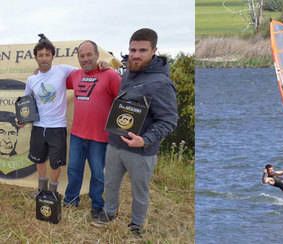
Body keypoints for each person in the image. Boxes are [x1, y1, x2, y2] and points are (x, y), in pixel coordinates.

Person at [92, 28, 178, 236]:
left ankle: (136, 225)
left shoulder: (161, 83)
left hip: (140, 151)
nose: (136, 54)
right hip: (115, 144)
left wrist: (145, 139)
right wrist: (107, 65)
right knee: (110, 184)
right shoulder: (130, 72)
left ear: (154, 51)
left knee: (139, 192)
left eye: (142, 50)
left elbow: (169, 120)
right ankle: (109, 213)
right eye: (133, 50)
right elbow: (118, 69)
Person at [63, 40, 121, 220]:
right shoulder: (74, 75)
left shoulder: (110, 76)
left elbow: (125, 100)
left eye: (89, 55)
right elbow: (54, 80)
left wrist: (113, 68)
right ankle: (70, 201)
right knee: (73, 170)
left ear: (97, 55)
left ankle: (97, 206)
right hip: (77, 135)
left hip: (101, 138)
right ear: (78, 58)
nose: (86, 59)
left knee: (98, 174)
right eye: (82, 56)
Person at [21, 38, 76, 193]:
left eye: (47, 54)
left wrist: (102, 66)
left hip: (57, 127)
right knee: (39, 159)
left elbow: (84, 71)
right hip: (38, 127)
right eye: (40, 55)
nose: (44, 57)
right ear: (36, 57)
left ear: (52, 56)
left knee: (55, 163)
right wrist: (22, 120)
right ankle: (41, 188)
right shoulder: (32, 79)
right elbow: (26, 103)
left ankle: (52, 191)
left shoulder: (63, 70)